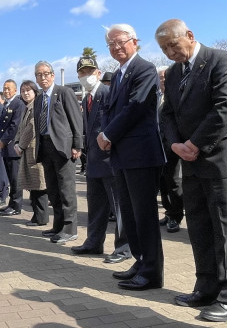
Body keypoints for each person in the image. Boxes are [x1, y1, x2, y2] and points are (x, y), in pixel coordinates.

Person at [156, 19, 227, 320]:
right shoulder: (172, 74)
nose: (170, 52)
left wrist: (195, 143)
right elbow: (167, 113)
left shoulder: (221, 61)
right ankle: (206, 287)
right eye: (164, 48)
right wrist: (175, 144)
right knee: (199, 227)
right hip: (189, 161)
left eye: (173, 44)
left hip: (220, 161)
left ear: (190, 36)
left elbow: (225, 107)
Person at [97, 24, 166, 290]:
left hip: (141, 154)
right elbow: (109, 109)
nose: (116, 47)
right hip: (121, 154)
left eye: (121, 42)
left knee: (144, 214)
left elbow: (135, 108)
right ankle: (139, 261)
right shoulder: (116, 75)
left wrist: (108, 134)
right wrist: (104, 132)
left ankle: (152, 271)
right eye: (111, 44)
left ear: (134, 41)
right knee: (129, 213)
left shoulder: (144, 69)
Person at [73, 56, 132, 263]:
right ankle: (93, 242)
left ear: (98, 73)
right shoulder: (86, 97)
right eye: (82, 72)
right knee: (96, 205)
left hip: (110, 159)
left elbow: (116, 122)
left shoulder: (107, 93)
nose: (86, 76)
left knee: (119, 206)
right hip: (94, 161)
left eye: (89, 71)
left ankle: (123, 248)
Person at [33, 61, 84, 244]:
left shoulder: (64, 93)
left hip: (63, 147)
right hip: (45, 147)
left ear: (53, 75)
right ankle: (58, 225)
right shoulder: (39, 98)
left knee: (66, 189)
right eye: (39, 74)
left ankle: (70, 229)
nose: (43, 77)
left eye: (46, 73)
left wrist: (78, 145)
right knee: (53, 189)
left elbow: (76, 119)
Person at [13, 80, 49, 227]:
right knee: (32, 185)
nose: (26, 93)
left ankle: (41, 217)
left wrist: (20, 145)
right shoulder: (27, 107)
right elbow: (20, 129)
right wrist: (17, 143)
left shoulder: (36, 106)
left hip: (35, 150)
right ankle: (37, 216)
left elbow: (32, 127)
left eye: (29, 90)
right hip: (27, 150)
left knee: (39, 184)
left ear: (35, 91)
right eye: (23, 91)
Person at [156, 68, 184, 234]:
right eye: (161, 78)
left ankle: (176, 216)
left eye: (166, 78)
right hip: (157, 147)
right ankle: (168, 212)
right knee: (162, 183)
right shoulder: (156, 96)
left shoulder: (177, 94)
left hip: (173, 146)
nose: (164, 80)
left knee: (174, 182)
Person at [0, 79, 26, 216]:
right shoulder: (7, 104)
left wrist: (3, 140)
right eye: (4, 88)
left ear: (15, 90)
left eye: (9, 88)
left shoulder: (18, 104)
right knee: (10, 176)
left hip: (13, 146)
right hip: (5, 147)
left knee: (15, 178)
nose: (6, 91)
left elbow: (15, 125)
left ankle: (16, 205)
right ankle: (11, 203)